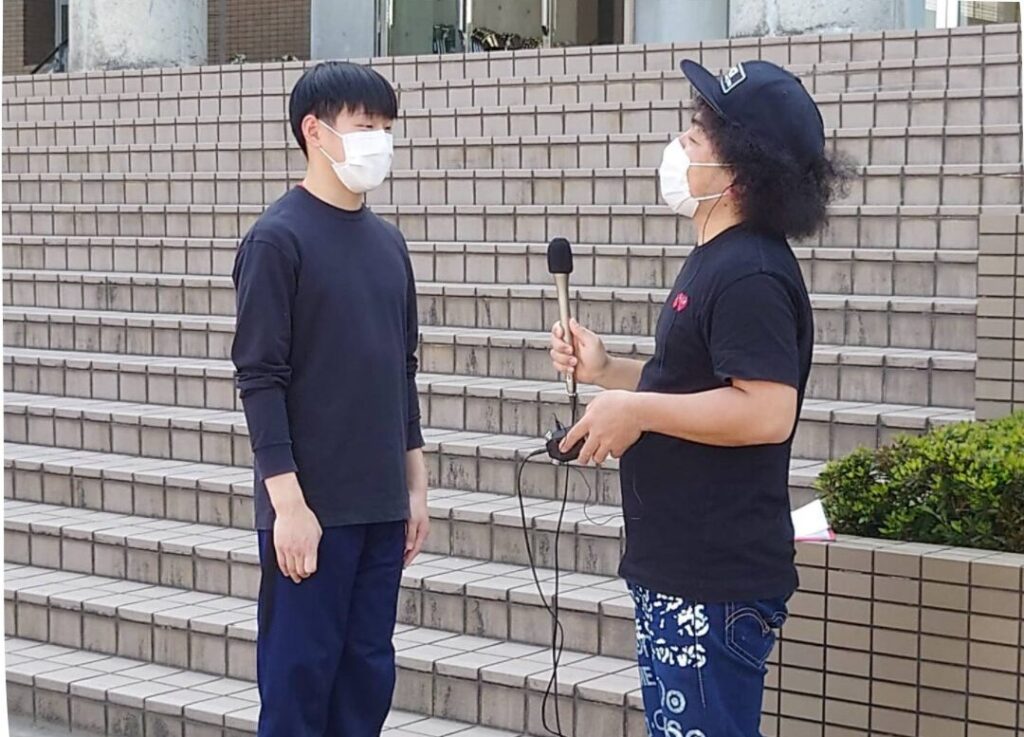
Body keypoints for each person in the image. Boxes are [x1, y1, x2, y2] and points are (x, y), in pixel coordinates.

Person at [549, 60, 853, 737]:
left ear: (742, 170)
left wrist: (637, 411)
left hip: (712, 580)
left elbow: (766, 410)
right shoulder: (722, 258)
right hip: (684, 569)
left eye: (697, 134)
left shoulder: (750, 272)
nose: (681, 142)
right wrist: (609, 372)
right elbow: (695, 387)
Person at [231, 61, 429, 737]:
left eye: (387, 128)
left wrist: (415, 486)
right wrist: (288, 505)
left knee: (366, 680)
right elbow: (259, 378)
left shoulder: (389, 244)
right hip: (312, 512)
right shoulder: (276, 240)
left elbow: (401, 370)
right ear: (314, 131)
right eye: (365, 125)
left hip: (381, 506)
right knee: (299, 685)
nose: (380, 141)